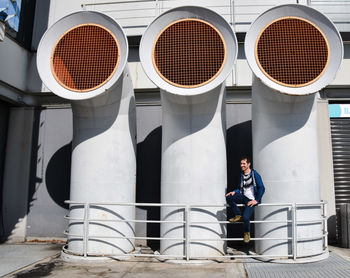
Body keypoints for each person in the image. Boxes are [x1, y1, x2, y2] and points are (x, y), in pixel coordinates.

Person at [226, 156, 265, 243]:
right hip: (243, 197)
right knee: (229, 197)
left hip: (251, 200)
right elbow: (240, 188)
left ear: (249, 164)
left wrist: (256, 200)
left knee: (246, 218)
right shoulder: (241, 175)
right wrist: (234, 192)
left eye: (244, 163)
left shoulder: (255, 174)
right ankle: (238, 215)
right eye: (241, 163)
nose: (242, 165)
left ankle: (247, 233)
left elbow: (262, 188)